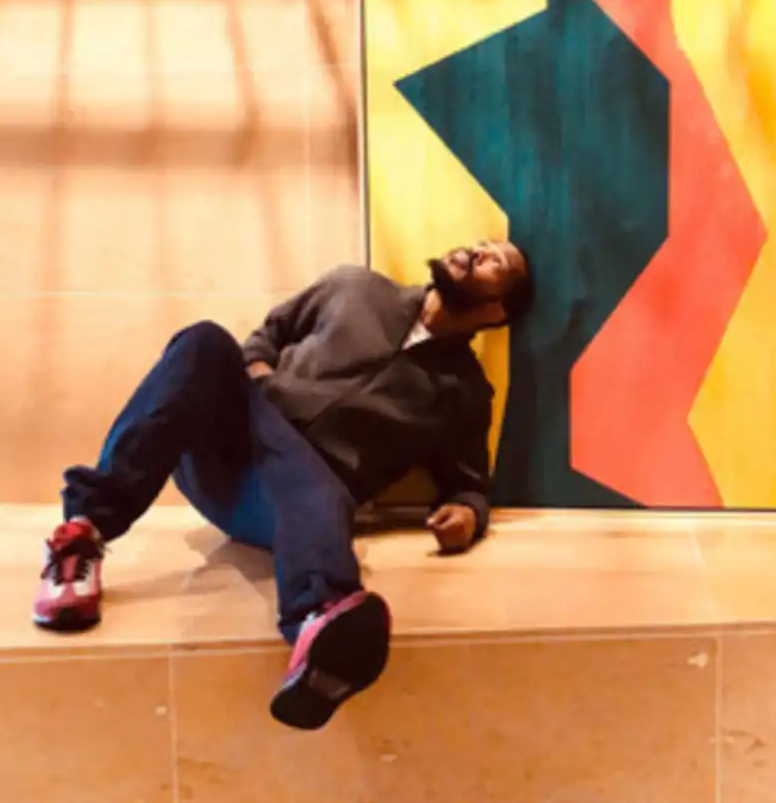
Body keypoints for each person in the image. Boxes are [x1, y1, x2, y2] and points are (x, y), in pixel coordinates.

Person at [32, 240, 533, 730]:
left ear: (498, 312)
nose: (479, 250)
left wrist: (466, 514)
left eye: (498, 261)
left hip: (287, 507)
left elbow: (469, 484)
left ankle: (321, 635)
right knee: (204, 340)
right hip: (225, 455)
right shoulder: (354, 287)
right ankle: (82, 536)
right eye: (481, 244)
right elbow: (265, 338)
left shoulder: (463, 392)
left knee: (316, 480)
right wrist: (262, 381)